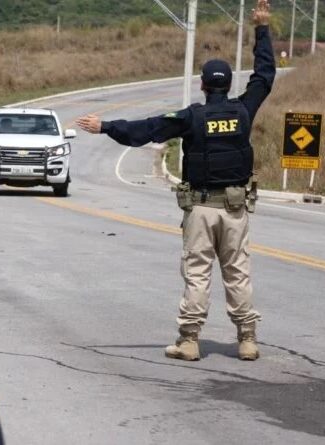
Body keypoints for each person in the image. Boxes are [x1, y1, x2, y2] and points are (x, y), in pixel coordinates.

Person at [76, 0, 274, 362]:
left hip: (201, 208)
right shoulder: (244, 110)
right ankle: (247, 340)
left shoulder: (190, 117)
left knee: (198, 274)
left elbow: (145, 129)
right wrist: (262, 29)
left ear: (202, 85)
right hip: (235, 208)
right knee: (238, 273)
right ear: (229, 85)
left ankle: (189, 340)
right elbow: (265, 76)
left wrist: (104, 126)